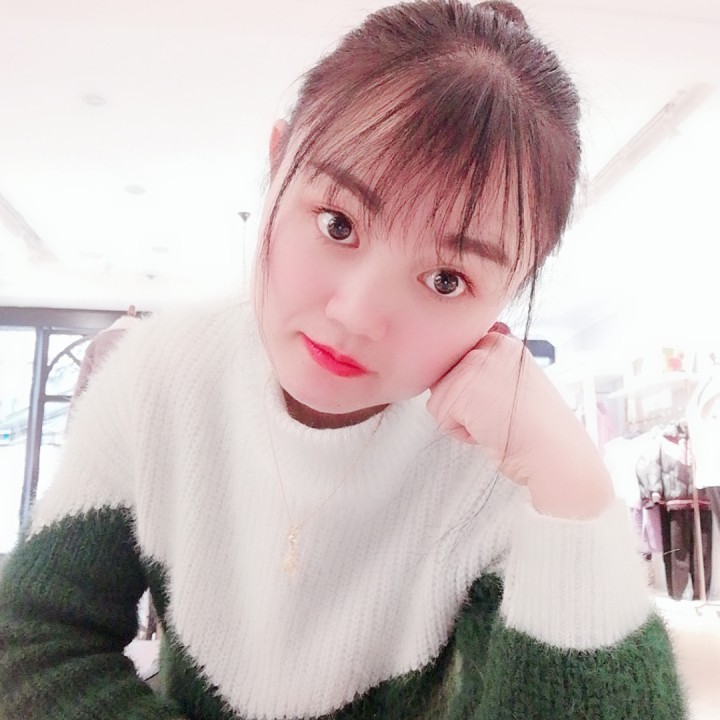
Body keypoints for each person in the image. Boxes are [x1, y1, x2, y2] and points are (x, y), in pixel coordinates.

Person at [0, 1, 686, 718]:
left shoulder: (501, 464)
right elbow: (34, 640)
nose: (357, 314)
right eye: (338, 224)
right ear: (277, 165)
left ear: (512, 289)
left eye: (446, 279)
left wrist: (575, 498)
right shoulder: (159, 377)